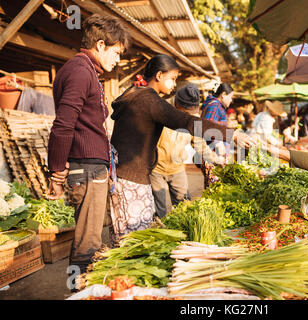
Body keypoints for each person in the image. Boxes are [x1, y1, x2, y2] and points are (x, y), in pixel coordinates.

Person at [108, 55, 254, 241]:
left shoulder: (139, 95)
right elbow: (186, 121)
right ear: (159, 75)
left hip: (131, 175)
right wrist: (232, 135)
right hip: (131, 178)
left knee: (135, 233)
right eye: (172, 79)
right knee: (131, 238)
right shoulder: (149, 100)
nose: (174, 85)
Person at [45, 14, 131, 274]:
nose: (118, 60)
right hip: (87, 169)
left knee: (89, 238)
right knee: (87, 245)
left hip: (91, 167)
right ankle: (79, 290)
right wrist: (57, 172)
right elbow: (63, 125)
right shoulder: (80, 72)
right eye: (116, 53)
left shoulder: (83, 71)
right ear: (101, 45)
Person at [150, 84, 226, 219]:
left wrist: (215, 158)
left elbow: (199, 144)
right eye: (186, 113)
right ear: (177, 105)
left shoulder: (192, 118)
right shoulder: (161, 110)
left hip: (177, 168)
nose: (188, 117)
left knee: (185, 206)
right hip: (156, 168)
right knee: (159, 210)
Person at [200, 83, 234, 187]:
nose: (231, 100)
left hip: (217, 155)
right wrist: (219, 145)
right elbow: (208, 127)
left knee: (216, 188)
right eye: (230, 97)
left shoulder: (217, 106)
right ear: (223, 94)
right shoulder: (214, 106)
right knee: (215, 188)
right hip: (214, 155)